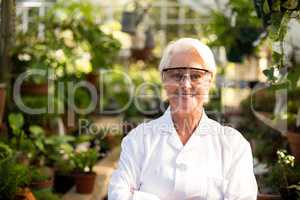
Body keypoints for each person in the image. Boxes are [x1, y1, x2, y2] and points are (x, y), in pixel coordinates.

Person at [108, 38, 258, 200]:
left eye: (195, 76)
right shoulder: (138, 140)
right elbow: (118, 195)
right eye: (177, 75)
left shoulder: (233, 145)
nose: (186, 85)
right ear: (164, 79)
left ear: (210, 81)